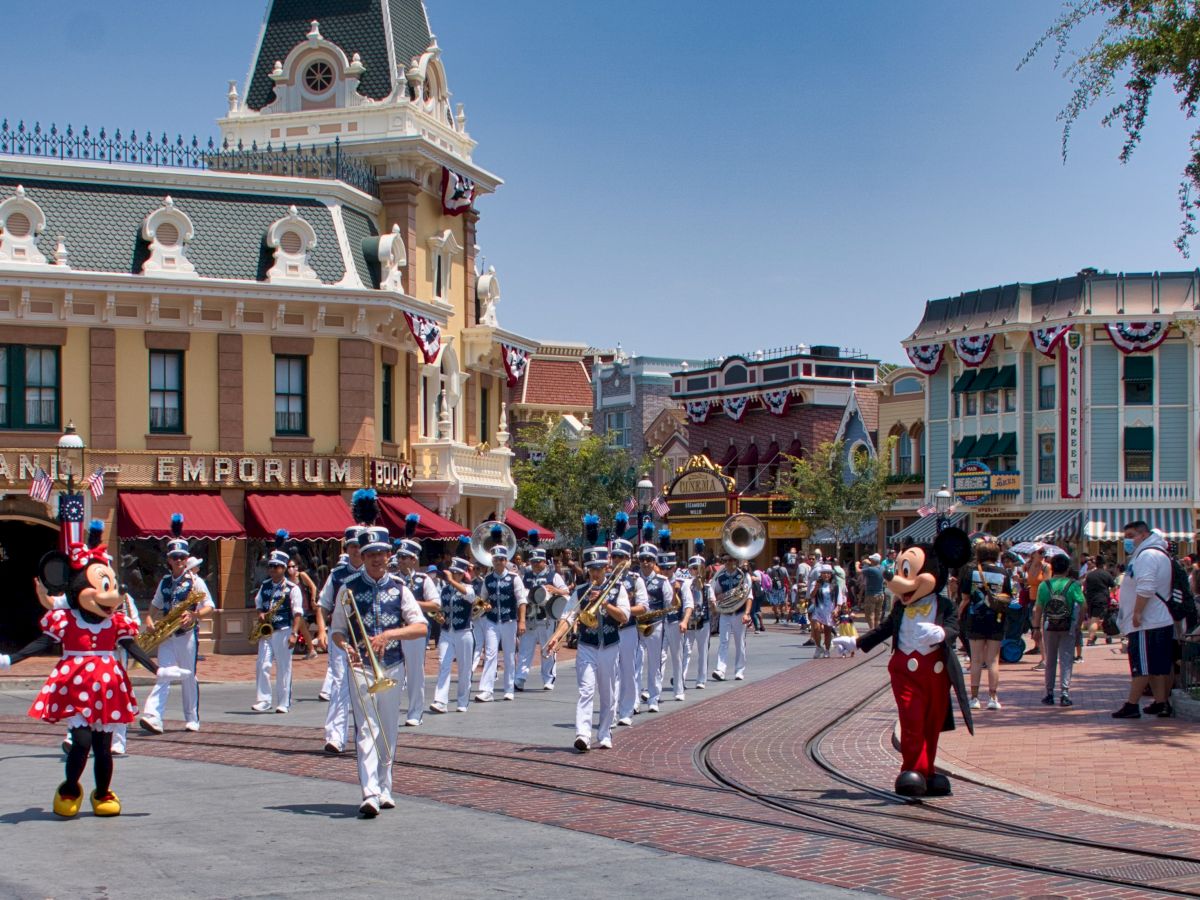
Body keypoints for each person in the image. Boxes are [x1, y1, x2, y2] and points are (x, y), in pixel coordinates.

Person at [331, 524, 426, 818]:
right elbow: (337, 629)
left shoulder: (399, 588)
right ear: (361, 554)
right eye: (370, 553)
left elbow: (421, 627)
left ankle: (385, 787)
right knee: (367, 729)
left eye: (381, 553)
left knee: (388, 730)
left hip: (392, 666)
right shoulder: (348, 587)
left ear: (389, 555)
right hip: (361, 667)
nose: (376, 558)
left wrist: (390, 635)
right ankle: (369, 792)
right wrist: (344, 645)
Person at [544, 542, 630, 752]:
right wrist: (556, 637)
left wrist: (605, 604)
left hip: (609, 645)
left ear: (606, 568)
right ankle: (583, 734)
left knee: (608, 693)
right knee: (586, 689)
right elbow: (568, 616)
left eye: (598, 569)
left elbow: (625, 616)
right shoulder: (581, 590)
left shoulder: (618, 588)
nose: (595, 573)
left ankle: (604, 733)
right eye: (591, 569)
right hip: (587, 645)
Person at [138, 514, 214, 735]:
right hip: (166, 636)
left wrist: (194, 615)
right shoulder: (164, 582)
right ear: (169, 560)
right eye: (175, 557)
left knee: (188, 675)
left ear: (186, 558)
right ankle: (154, 716)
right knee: (164, 674)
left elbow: (209, 606)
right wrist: (150, 620)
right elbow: (153, 607)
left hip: (186, 634)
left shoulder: (195, 581)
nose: (179, 560)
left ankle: (192, 718)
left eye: (182, 557)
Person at [1112, 522, 1176, 719]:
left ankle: (1132, 705)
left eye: (1131, 535)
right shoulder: (1154, 553)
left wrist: (1138, 613)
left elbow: (1146, 586)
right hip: (1157, 620)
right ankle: (1161, 702)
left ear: (1144, 534)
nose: (1128, 540)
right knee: (1156, 667)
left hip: (1147, 622)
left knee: (1143, 666)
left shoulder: (1147, 555)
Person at [315, 523, 364, 754]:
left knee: (366, 687)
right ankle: (335, 737)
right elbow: (323, 605)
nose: (355, 550)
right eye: (352, 546)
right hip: (340, 636)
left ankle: (367, 735)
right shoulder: (337, 575)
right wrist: (322, 630)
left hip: (366, 638)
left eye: (358, 546)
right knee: (339, 684)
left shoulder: (372, 572)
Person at [393, 516, 441, 727]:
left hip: (415, 631)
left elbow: (435, 605)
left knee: (414, 673)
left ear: (414, 559)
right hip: (395, 629)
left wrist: (412, 604)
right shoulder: (391, 579)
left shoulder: (423, 580)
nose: (401, 561)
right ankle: (391, 710)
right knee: (393, 672)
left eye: (406, 557)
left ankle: (415, 712)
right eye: (400, 557)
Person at [250, 533, 305, 714]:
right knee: (262, 664)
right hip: (267, 631)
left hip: (283, 629)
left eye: (276, 567)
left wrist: (294, 634)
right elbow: (258, 604)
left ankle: (283, 702)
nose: (272, 570)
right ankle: (264, 700)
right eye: (270, 567)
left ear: (283, 568)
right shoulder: (264, 585)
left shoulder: (292, 588)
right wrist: (260, 615)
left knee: (284, 667)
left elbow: (298, 612)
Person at [958, 540, 1012, 710]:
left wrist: (958, 615)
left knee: (976, 660)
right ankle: (993, 697)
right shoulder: (1003, 572)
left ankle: (974, 699)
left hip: (975, 618)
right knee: (993, 660)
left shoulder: (971, 571)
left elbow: (965, 598)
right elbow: (1007, 597)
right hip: (996, 619)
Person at [475, 535, 529, 702]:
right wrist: (484, 605)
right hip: (491, 621)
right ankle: (486, 690)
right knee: (490, 654)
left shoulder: (514, 578)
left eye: (501, 559)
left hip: (509, 621)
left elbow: (521, 601)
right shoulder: (488, 579)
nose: (498, 562)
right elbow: (481, 599)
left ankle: (509, 688)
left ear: (506, 561)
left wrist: (522, 621)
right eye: (496, 559)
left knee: (509, 654)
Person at [516, 534, 569, 692]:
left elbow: (566, 593)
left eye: (537, 561)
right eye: (532, 561)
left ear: (544, 561)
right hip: (531, 616)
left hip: (547, 617)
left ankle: (548, 678)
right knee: (525, 649)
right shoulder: (526, 576)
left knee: (547, 648)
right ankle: (520, 677)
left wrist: (555, 590)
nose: (534, 564)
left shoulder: (554, 576)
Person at [1035, 553, 1086, 707]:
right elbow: (1083, 605)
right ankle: (1064, 693)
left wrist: (1035, 627)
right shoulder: (1073, 585)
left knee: (1050, 659)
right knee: (1066, 659)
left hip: (1049, 624)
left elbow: (1038, 609)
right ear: (1068, 568)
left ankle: (1049, 693)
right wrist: (1078, 623)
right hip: (1067, 624)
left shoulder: (1045, 585)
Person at [613, 520, 649, 726]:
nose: (617, 560)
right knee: (611, 674)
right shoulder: (607, 578)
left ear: (628, 559)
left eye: (621, 557)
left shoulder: (636, 579)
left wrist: (623, 612)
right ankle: (612, 711)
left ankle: (626, 710)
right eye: (614, 556)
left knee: (628, 670)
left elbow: (643, 606)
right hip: (610, 630)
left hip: (627, 630)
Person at [431, 555, 477, 713]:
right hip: (446, 631)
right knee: (443, 663)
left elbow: (470, 597)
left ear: (463, 574)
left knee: (464, 668)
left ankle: (463, 701)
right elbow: (440, 607)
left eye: (457, 573)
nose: (454, 575)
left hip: (463, 631)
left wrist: (452, 581)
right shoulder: (444, 589)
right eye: (452, 572)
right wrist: (440, 616)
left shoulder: (468, 588)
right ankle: (440, 701)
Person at [635, 541, 675, 711]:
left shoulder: (662, 581)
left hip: (655, 625)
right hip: (636, 626)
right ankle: (635, 699)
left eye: (649, 559)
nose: (645, 562)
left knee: (654, 663)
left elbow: (669, 604)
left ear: (654, 562)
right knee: (635, 664)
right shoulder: (633, 580)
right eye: (643, 559)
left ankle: (653, 697)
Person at [712, 551, 751, 680]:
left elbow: (749, 597)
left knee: (739, 642)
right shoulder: (720, 577)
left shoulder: (743, 576)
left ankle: (739, 670)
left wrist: (747, 613)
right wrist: (719, 597)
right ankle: (720, 669)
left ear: (736, 561)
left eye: (731, 560)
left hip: (739, 613)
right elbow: (715, 594)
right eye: (726, 560)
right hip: (725, 613)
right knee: (723, 642)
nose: (728, 563)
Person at [682, 543, 714, 689]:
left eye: (699, 568)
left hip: (703, 621)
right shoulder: (686, 584)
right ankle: (681, 677)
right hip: (689, 622)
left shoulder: (708, 587)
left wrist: (714, 604)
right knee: (685, 650)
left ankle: (701, 679)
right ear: (689, 569)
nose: (696, 571)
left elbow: (713, 605)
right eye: (694, 568)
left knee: (703, 651)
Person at [287, 558, 320, 659]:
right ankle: (311, 650)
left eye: (293, 566)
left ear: (297, 567)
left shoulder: (302, 575)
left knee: (300, 627)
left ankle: (309, 650)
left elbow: (313, 587)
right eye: (288, 567)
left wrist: (313, 600)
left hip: (303, 606)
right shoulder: (287, 579)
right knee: (302, 628)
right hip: (293, 607)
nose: (291, 569)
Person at [807, 565, 841, 658]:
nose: (826, 575)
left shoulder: (835, 584)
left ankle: (827, 650)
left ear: (831, 574)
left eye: (828, 573)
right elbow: (811, 595)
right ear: (821, 574)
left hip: (829, 610)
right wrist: (816, 587)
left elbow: (839, 598)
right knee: (816, 628)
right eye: (824, 573)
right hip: (818, 609)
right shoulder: (816, 583)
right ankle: (818, 647)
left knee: (827, 631)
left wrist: (836, 609)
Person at [1083, 558, 1117, 647]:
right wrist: (1110, 593)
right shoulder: (1106, 574)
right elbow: (1114, 587)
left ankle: (1097, 636)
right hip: (1101, 599)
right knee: (1096, 619)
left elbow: (1085, 587)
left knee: (1092, 619)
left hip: (1090, 599)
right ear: (1104, 565)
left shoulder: (1090, 575)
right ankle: (1090, 639)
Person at [861, 553, 886, 630]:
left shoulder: (870, 569)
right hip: (881, 594)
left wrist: (860, 563)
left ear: (874, 561)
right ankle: (876, 630)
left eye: (871, 560)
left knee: (870, 614)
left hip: (871, 595)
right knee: (878, 614)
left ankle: (871, 630)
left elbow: (858, 571)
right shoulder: (883, 568)